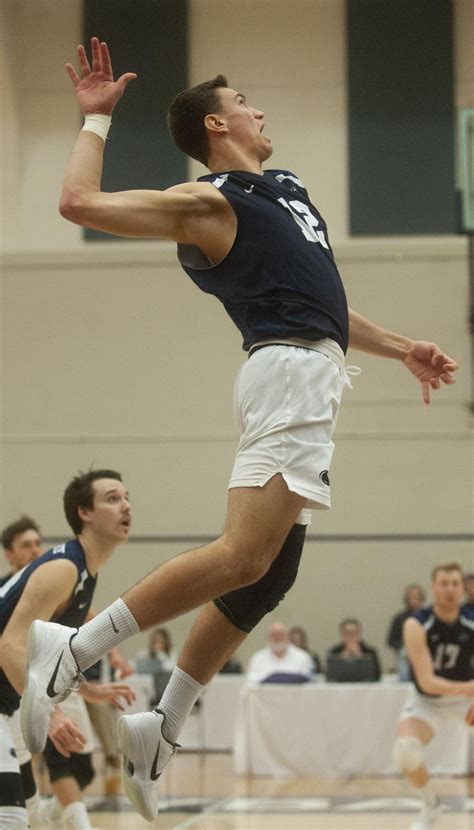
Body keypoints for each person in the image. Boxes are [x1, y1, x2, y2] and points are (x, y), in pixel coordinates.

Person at [21, 37, 458, 822]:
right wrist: (94, 124)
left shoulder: (284, 188)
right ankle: (74, 648)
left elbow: (321, 305)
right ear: (217, 127)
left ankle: (162, 723)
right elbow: (78, 205)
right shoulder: (209, 202)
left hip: (310, 366)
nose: (258, 108)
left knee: (270, 572)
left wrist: (401, 349)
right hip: (286, 373)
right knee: (244, 554)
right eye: (244, 101)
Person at [0, 470, 135, 830]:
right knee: (12, 817)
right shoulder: (64, 568)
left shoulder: (85, 571)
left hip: (7, 703)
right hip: (5, 703)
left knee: (32, 816)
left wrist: (88, 689)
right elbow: (9, 645)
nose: (126, 505)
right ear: (84, 513)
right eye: (112, 498)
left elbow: (44, 654)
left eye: (126, 496)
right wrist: (50, 712)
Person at [392, 562, 474, 830]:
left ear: (463, 589)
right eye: (444, 583)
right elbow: (427, 682)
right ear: (433, 588)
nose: (450, 589)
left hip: (467, 701)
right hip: (427, 701)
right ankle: (430, 804)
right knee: (406, 752)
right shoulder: (417, 624)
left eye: (455, 583)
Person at [246, 621, 314, 684]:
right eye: (274, 635)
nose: (277, 638)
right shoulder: (257, 658)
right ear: (268, 638)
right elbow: (251, 682)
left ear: (288, 637)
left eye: (281, 635)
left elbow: (308, 681)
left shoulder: (303, 657)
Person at [387, 584, 426, 680]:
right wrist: (405, 646)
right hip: (405, 653)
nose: (415, 601)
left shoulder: (427, 617)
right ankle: (405, 680)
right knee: (403, 654)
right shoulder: (399, 618)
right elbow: (391, 640)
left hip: (425, 651)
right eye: (412, 597)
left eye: (417, 597)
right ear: (406, 599)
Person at [0, 516, 43, 587]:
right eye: (26, 545)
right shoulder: (2, 589)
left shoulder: (55, 585)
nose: (35, 551)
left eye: (38, 544)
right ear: (9, 554)